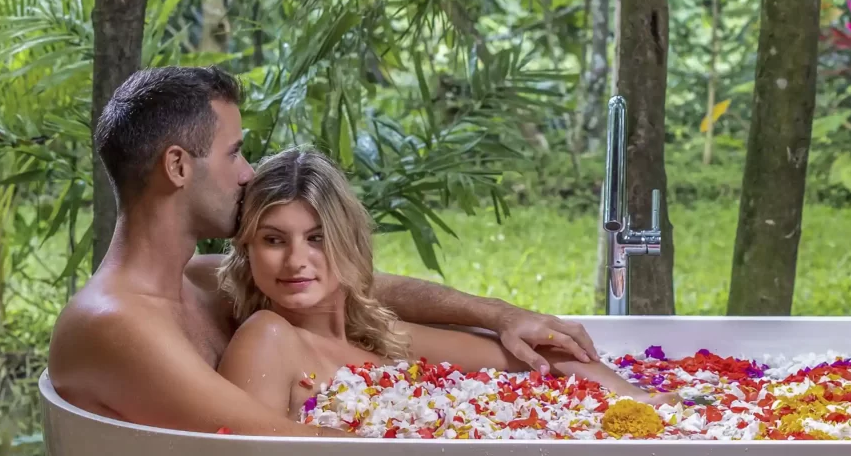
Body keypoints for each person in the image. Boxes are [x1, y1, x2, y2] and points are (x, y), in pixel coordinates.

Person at [48, 66, 599, 435]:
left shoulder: (197, 280)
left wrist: (501, 315)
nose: (247, 174)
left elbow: (354, 283)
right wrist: (449, 433)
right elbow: (262, 441)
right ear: (177, 166)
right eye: (234, 153)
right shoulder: (112, 323)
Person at [215, 148, 645, 422]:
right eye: (273, 240)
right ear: (247, 248)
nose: (295, 261)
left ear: (348, 243)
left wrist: (644, 405)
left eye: (317, 238)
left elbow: (543, 358)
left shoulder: (382, 337)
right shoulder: (268, 338)